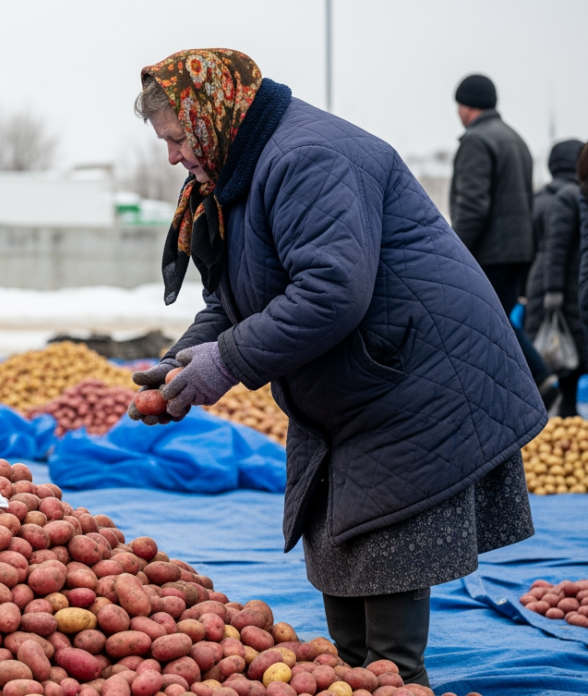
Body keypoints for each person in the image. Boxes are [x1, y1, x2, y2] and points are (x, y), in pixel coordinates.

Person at [127, 49, 541, 686]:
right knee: (342, 557)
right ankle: (358, 675)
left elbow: (330, 291)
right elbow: (233, 301)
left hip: (414, 374)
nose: (174, 156)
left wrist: (227, 361)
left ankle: (397, 680)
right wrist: (183, 362)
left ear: (212, 115)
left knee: (387, 564)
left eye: (178, 138)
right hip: (355, 380)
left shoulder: (307, 158)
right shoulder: (236, 172)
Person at [449, 74, 554, 399]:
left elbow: (472, 205)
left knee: (486, 322)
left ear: (467, 106)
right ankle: (526, 385)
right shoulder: (515, 139)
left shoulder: (476, 141)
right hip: (519, 250)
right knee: (498, 319)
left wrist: (453, 249)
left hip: (490, 252)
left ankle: (538, 379)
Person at [525, 140, 586, 417]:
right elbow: (557, 247)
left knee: (558, 355)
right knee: (566, 357)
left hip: (546, 285)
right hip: (560, 288)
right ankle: (564, 416)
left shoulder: (540, 198)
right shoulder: (569, 197)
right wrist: (553, 291)